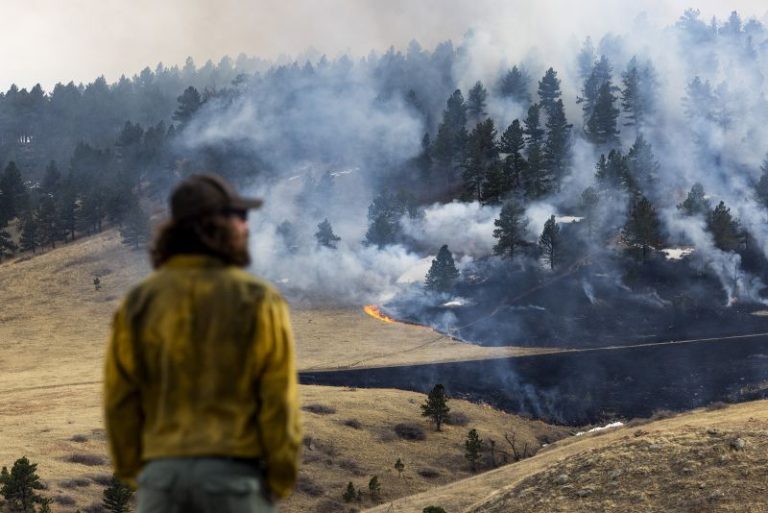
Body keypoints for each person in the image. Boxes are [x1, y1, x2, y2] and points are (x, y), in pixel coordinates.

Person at [104, 174, 301, 513]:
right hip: (234, 480)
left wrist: (141, 473)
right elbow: (278, 398)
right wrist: (279, 479)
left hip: (162, 482)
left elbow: (120, 399)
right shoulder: (258, 299)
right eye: (240, 217)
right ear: (215, 225)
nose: (246, 226)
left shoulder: (139, 302)